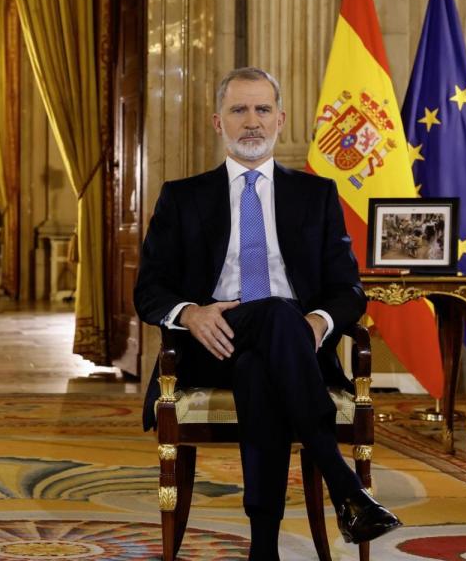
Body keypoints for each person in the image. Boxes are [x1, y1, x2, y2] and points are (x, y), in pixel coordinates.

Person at [133, 67, 401, 559]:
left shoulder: (315, 196)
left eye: (261, 110)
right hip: (210, 346)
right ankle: (344, 485)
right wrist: (190, 313)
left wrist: (319, 322)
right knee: (275, 313)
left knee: (265, 359)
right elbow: (148, 288)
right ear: (218, 122)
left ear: (280, 119)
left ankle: (264, 549)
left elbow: (349, 290)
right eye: (239, 110)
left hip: (293, 347)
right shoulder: (183, 196)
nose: (251, 121)